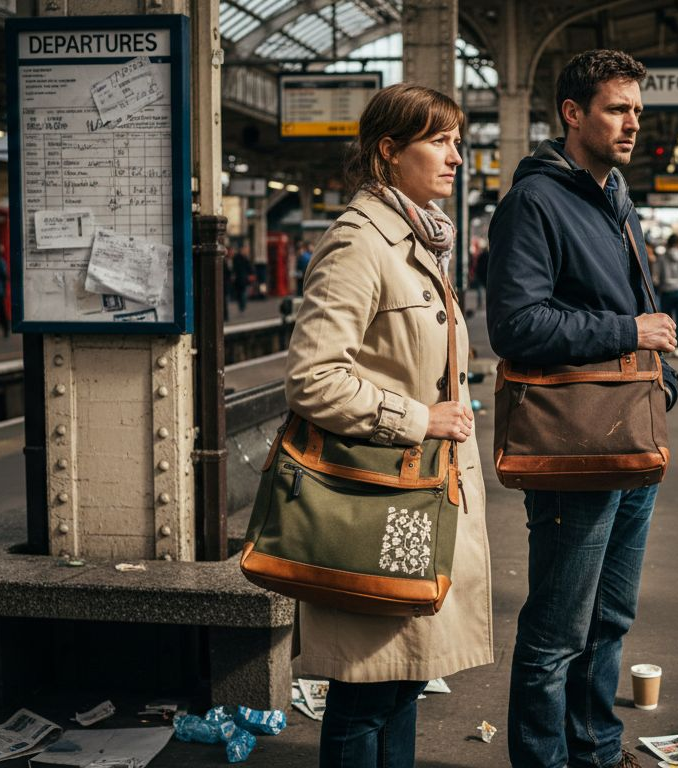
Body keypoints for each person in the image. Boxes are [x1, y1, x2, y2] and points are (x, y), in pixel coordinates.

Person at [283, 83, 492, 768]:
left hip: (416, 498)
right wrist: (418, 417)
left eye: (458, 141)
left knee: (401, 686)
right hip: (376, 500)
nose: (456, 157)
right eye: (440, 141)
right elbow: (313, 377)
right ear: (388, 150)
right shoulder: (359, 244)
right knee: (366, 692)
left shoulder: (418, 242)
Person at [486, 49, 678, 768]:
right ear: (573, 114)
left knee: (610, 621)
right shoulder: (533, 203)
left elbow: (634, 300)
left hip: (629, 434)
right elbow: (517, 326)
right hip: (573, 444)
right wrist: (631, 332)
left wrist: (660, 378)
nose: (632, 123)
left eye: (636, 110)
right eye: (616, 109)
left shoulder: (614, 195)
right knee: (556, 632)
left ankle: (595, 750)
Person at [232, 247, 253, 314]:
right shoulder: (243, 258)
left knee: (241, 293)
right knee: (242, 293)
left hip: (240, 278)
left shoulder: (237, 258)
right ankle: (242, 306)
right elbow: (249, 267)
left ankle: (242, 306)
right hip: (242, 278)